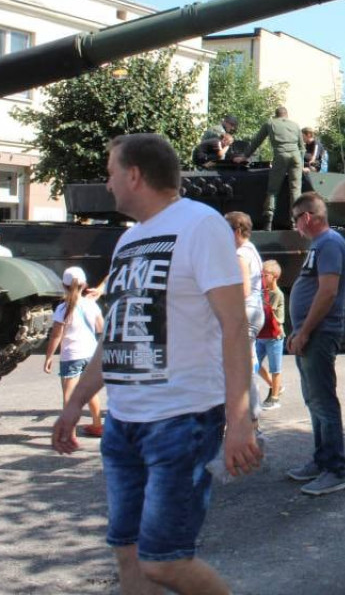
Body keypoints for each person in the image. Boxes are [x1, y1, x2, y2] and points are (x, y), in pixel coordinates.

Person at [51, 133, 260, 595]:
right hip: (124, 423)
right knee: (128, 554)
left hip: (181, 421)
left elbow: (233, 326)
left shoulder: (201, 225)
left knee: (164, 562)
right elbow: (116, 338)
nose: (107, 184)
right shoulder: (130, 241)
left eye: (110, 173)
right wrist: (75, 405)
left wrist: (240, 419)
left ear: (134, 175)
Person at [285, 192, 345, 496]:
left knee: (323, 403)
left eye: (296, 219)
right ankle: (321, 460)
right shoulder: (321, 245)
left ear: (308, 218)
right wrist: (298, 330)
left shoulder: (329, 243)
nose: (296, 226)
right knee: (314, 401)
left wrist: (305, 331)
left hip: (319, 333)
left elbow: (327, 292)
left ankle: (334, 470)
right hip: (310, 333)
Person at [43, 266, 104, 438]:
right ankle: (97, 424)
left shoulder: (62, 308)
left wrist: (48, 357)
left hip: (71, 356)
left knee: (69, 394)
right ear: (85, 285)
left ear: (64, 285)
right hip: (90, 354)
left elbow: (56, 335)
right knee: (90, 391)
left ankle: (69, 432)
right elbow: (101, 328)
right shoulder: (91, 304)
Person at [236, 106, 304, 231]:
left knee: (273, 190)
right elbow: (302, 147)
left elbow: (256, 141)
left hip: (280, 156)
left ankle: (268, 221)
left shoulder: (270, 123)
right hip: (296, 157)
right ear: (286, 115)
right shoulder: (295, 125)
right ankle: (294, 223)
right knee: (295, 190)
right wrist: (303, 164)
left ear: (276, 115)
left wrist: (245, 156)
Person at [225, 211, 264, 423]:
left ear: (238, 230)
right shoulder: (252, 250)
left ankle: (249, 415)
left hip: (245, 313)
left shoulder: (240, 254)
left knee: (239, 367)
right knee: (245, 364)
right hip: (255, 311)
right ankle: (251, 414)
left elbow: (243, 290)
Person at [256, 259, 286, 409]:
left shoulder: (277, 294)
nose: (262, 277)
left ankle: (274, 398)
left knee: (275, 368)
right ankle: (276, 387)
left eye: (264, 275)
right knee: (254, 364)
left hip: (274, 337)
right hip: (261, 335)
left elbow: (274, 317)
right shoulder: (261, 292)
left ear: (274, 277)